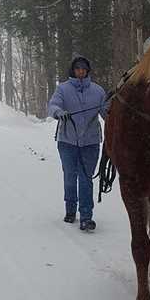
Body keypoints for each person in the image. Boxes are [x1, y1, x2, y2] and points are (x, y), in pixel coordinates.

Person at [47, 55, 108, 232]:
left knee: (86, 178)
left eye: (83, 69)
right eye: (77, 69)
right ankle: (70, 208)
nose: (81, 72)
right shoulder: (63, 89)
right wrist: (59, 112)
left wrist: (114, 111)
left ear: (87, 70)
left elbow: (106, 112)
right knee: (70, 176)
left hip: (91, 142)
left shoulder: (98, 91)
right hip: (67, 141)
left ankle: (86, 216)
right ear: (73, 71)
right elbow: (53, 105)